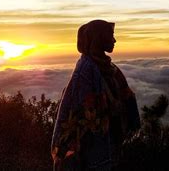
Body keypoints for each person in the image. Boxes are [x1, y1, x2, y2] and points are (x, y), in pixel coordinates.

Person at [51, 20, 140, 170]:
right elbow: (81, 116)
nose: (114, 40)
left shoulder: (108, 67)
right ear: (99, 38)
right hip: (92, 154)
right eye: (110, 35)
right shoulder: (85, 71)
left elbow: (123, 96)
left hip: (111, 146)